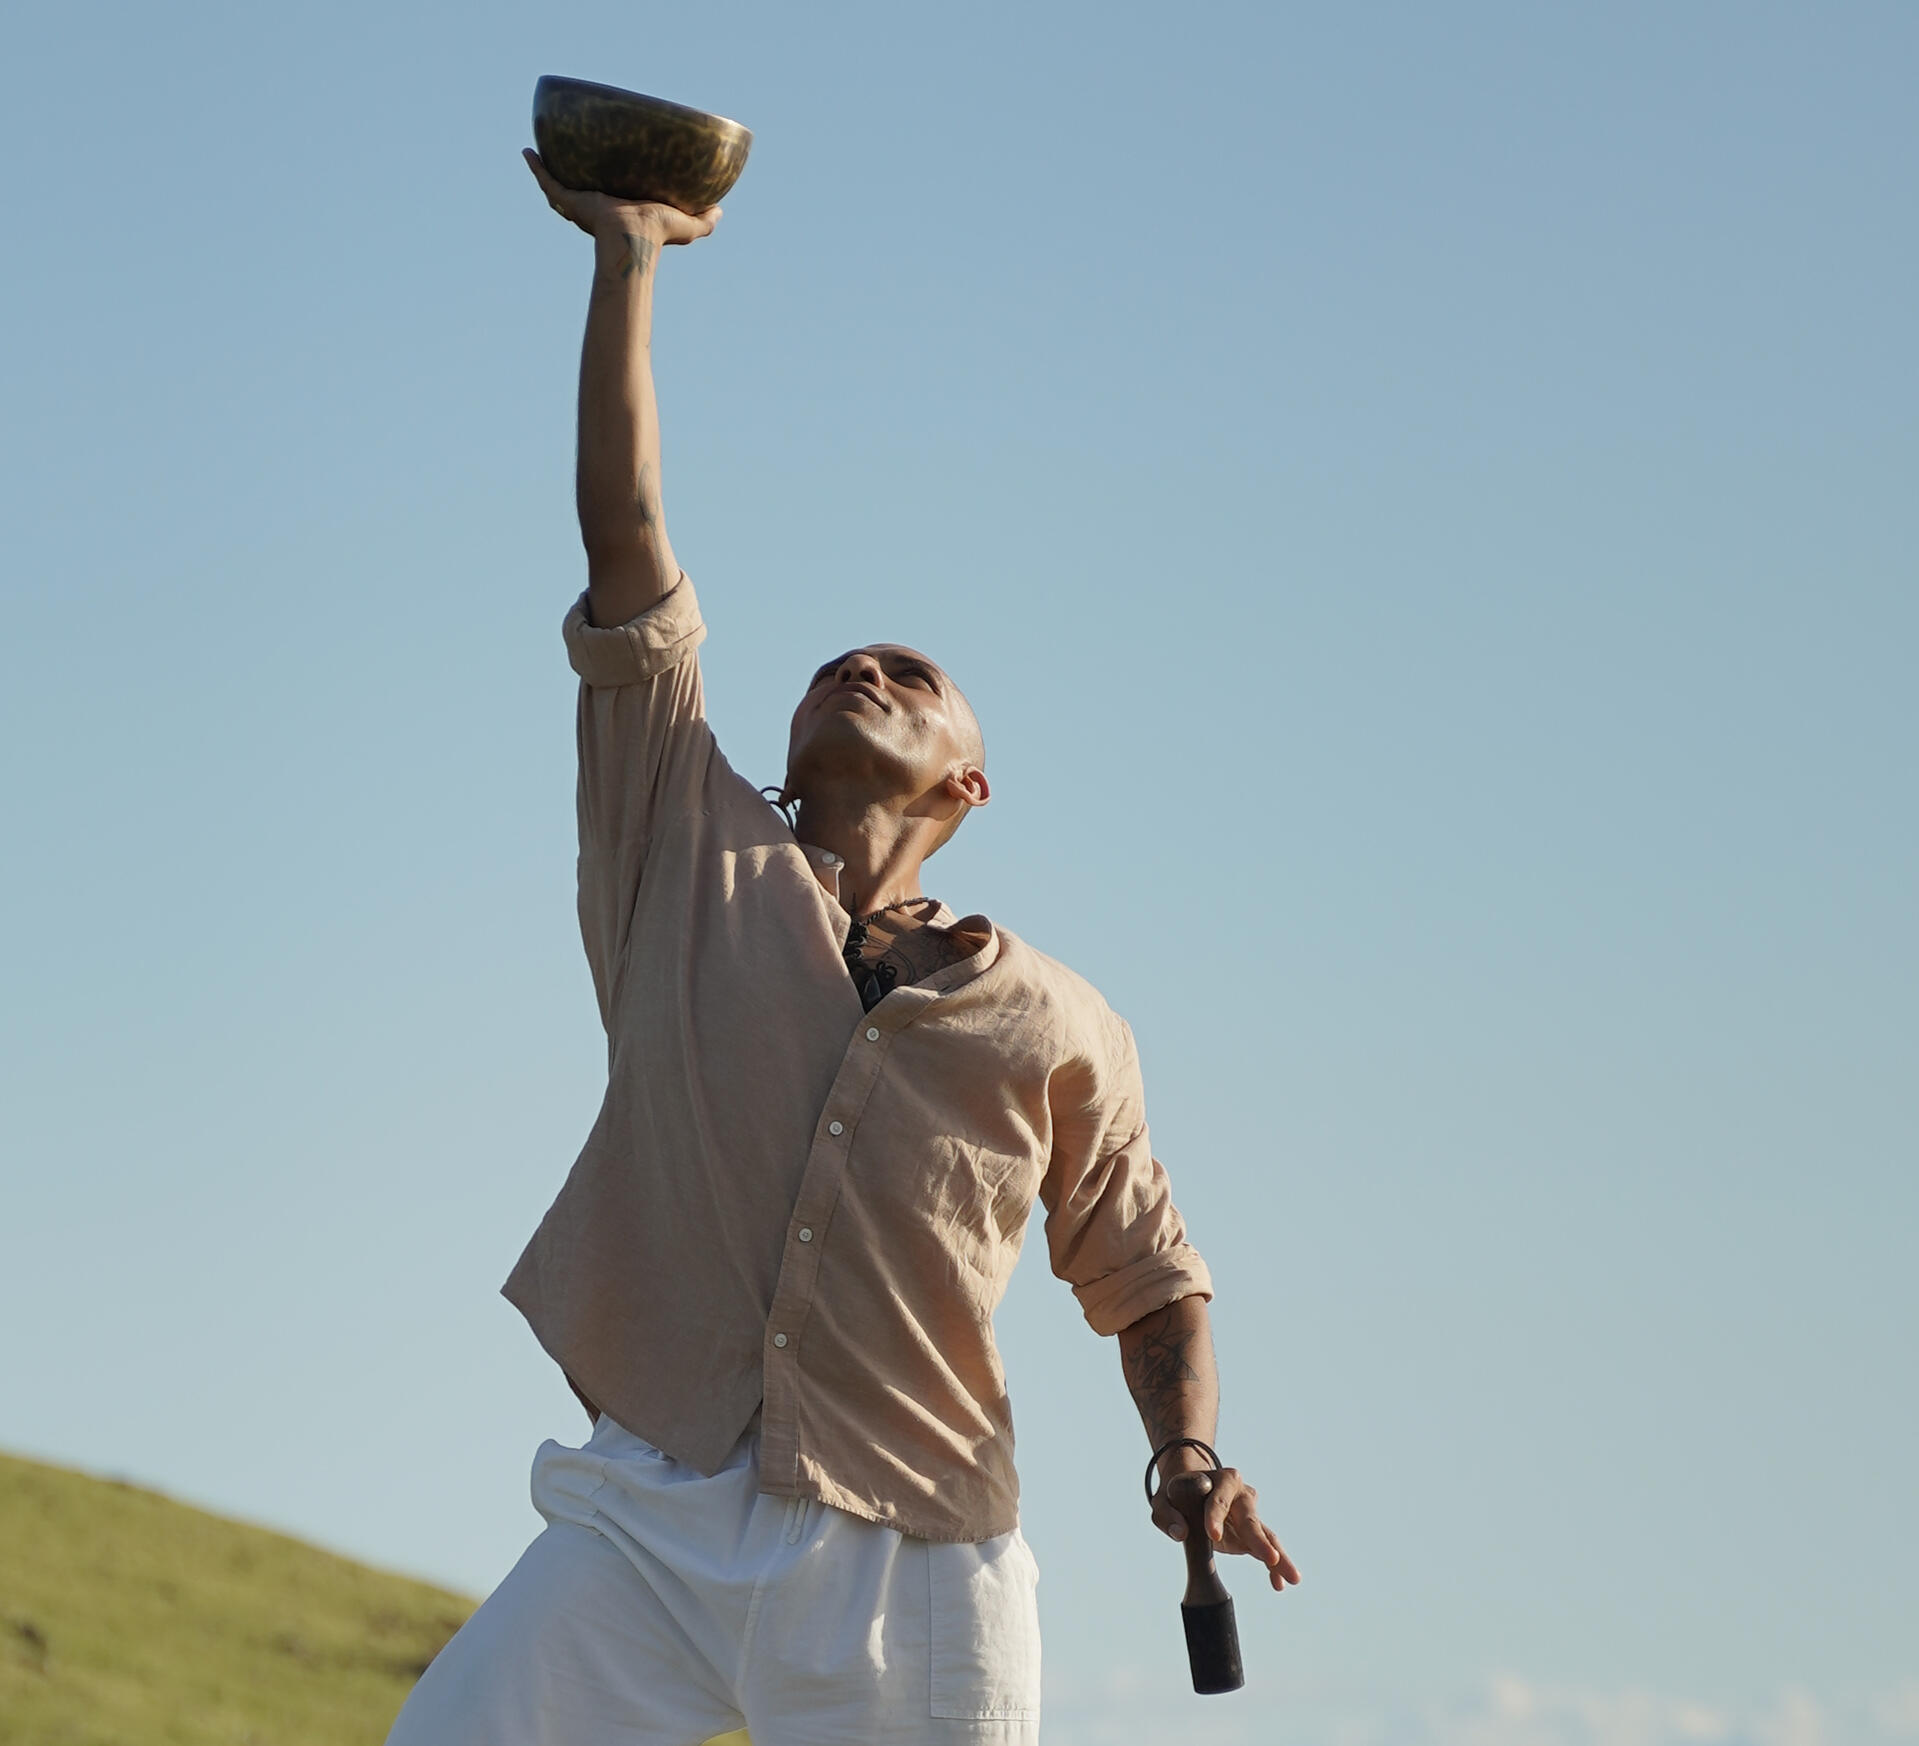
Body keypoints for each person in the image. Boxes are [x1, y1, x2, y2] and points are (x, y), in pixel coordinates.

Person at [384, 149, 1300, 1746]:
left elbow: (1150, 1280)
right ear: (789, 741)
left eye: (912, 667)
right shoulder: (682, 836)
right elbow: (627, 534)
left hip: (914, 1567)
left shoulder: (1064, 1020)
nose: (867, 664)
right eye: (837, 666)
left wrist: (1188, 1459)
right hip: (649, 1517)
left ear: (969, 781)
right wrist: (628, 261)